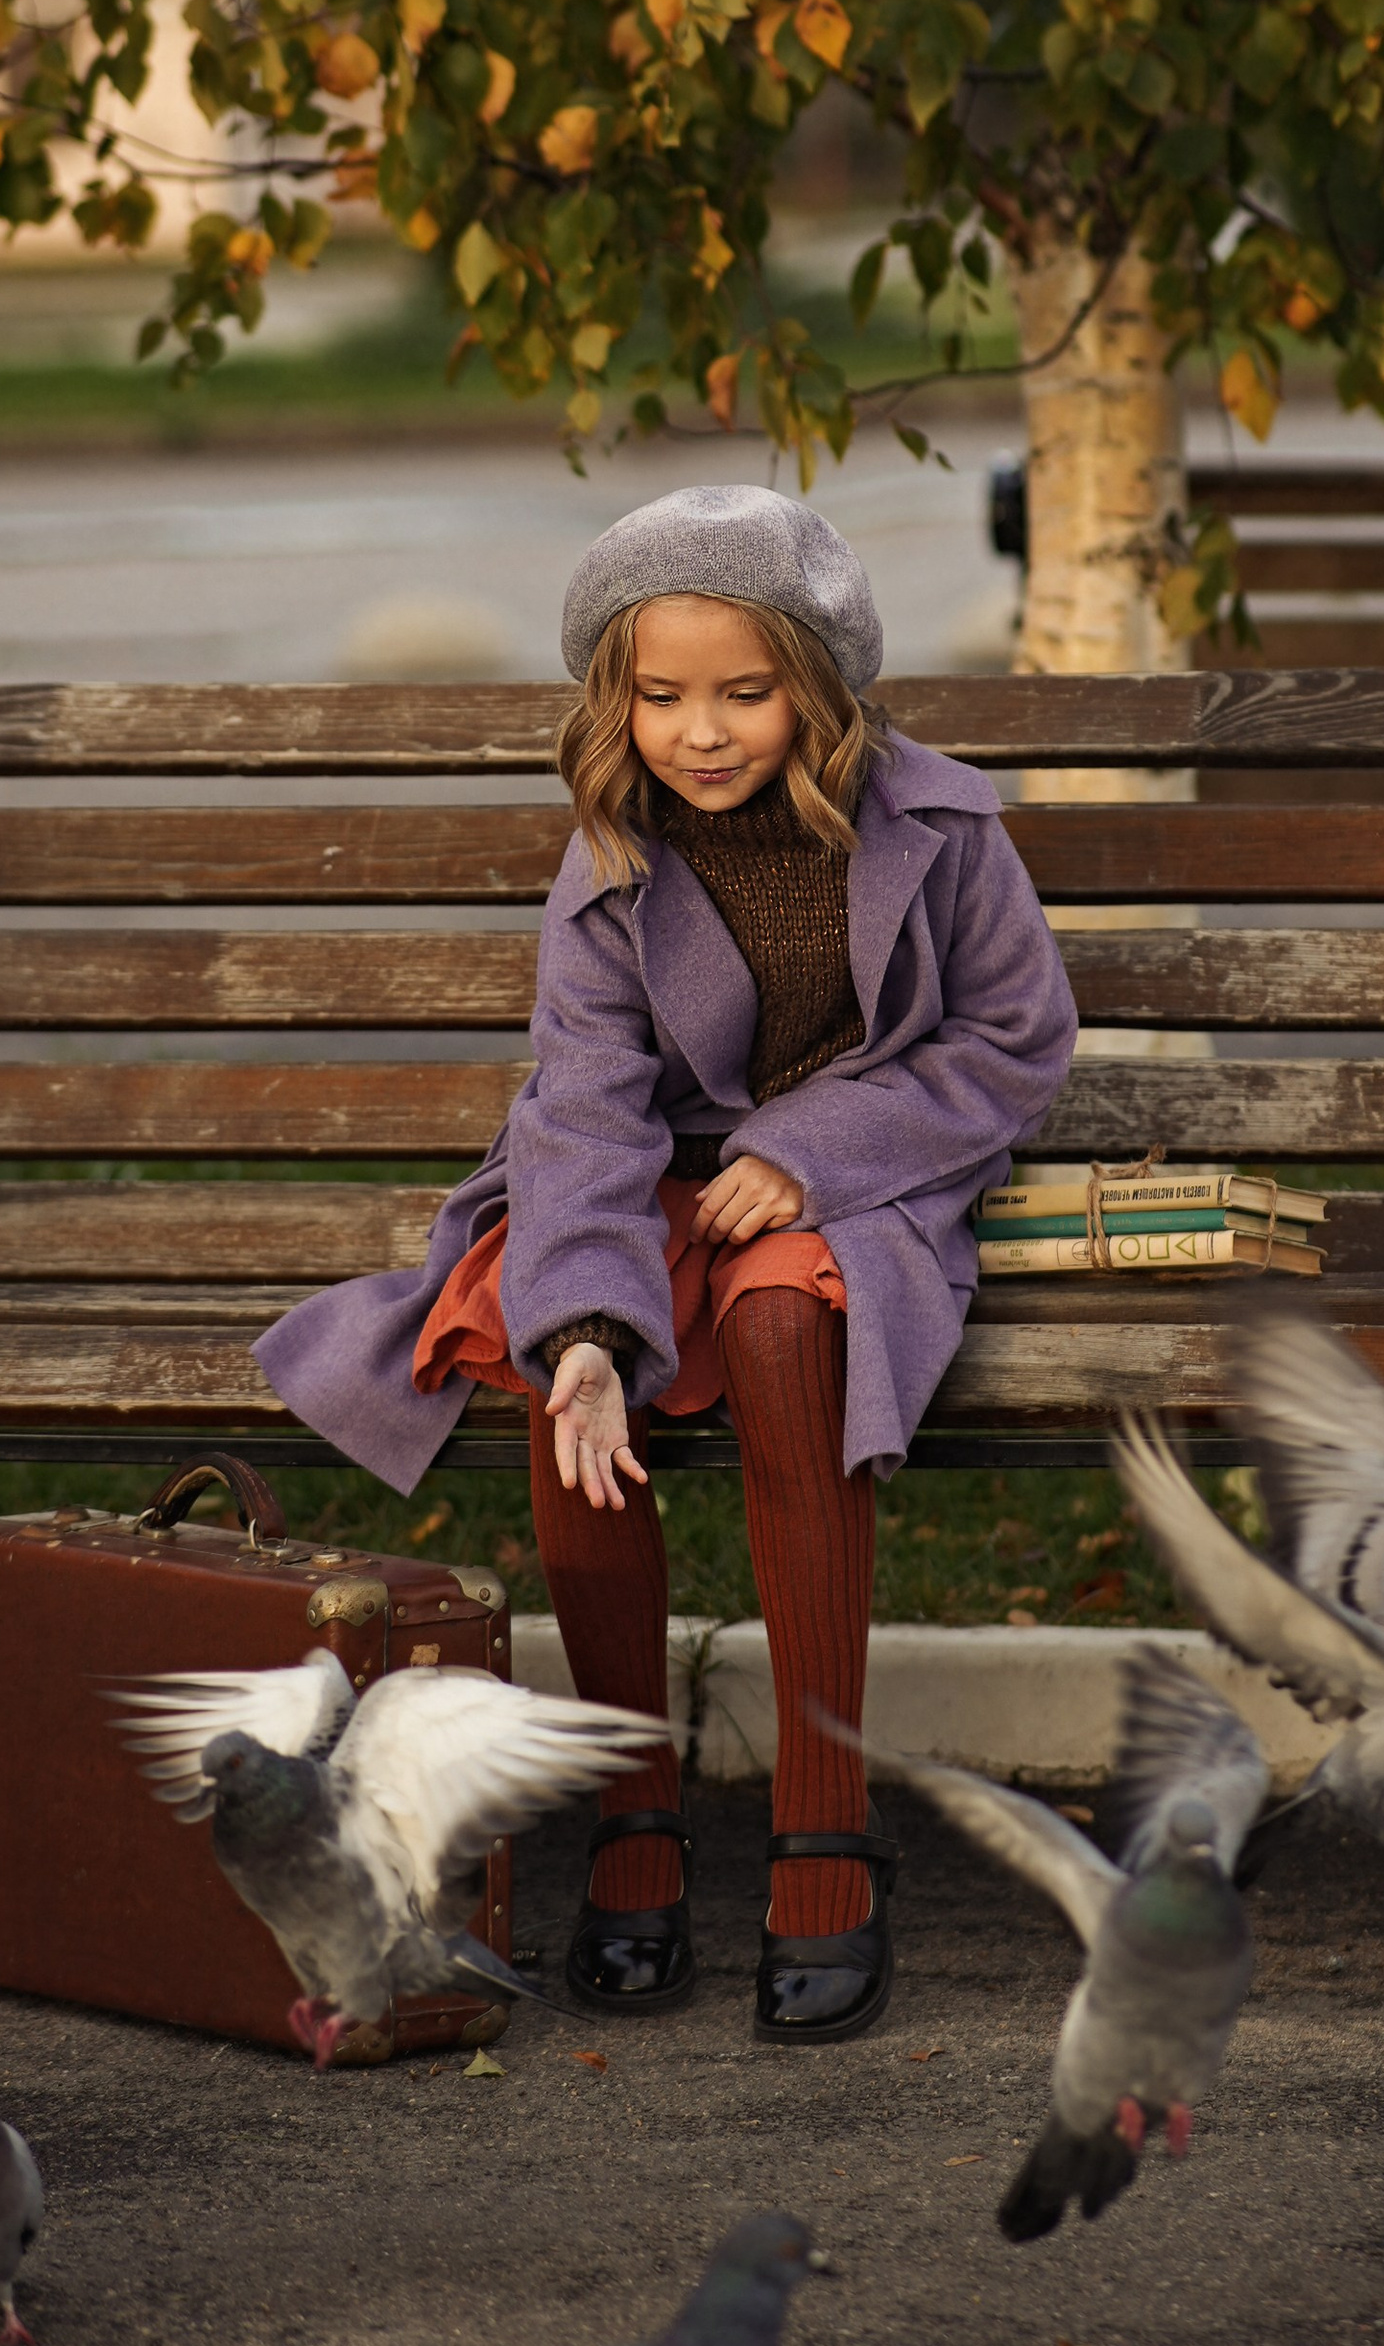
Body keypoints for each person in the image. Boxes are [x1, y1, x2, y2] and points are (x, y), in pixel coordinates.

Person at [258, 484, 1077, 2044]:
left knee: (782, 1334)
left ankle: (824, 1837)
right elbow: (582, 1101)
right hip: (643, 1185)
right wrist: (582, 1321)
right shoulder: (612, 861)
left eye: (745, 694)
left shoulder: (943, 832)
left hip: (869, 1185)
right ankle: (635, 1813)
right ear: (615, 697)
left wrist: (814, 1152)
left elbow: (1014, 1042)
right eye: (662, 695)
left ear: (820, 689)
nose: (700, 732)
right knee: (559, 1361)